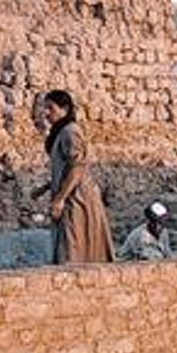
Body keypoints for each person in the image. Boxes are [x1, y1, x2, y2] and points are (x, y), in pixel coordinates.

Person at [31, 90, 114, 263]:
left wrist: (60, 198)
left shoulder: (70, 132)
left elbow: (78, 167)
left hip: (77, 199)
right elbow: (66, 168)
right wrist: (45, 188)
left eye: (50, 108)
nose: (46, 113)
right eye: (45, 108)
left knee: (73, 246)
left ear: (65, 109)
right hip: (72, 194)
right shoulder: (62, 131)